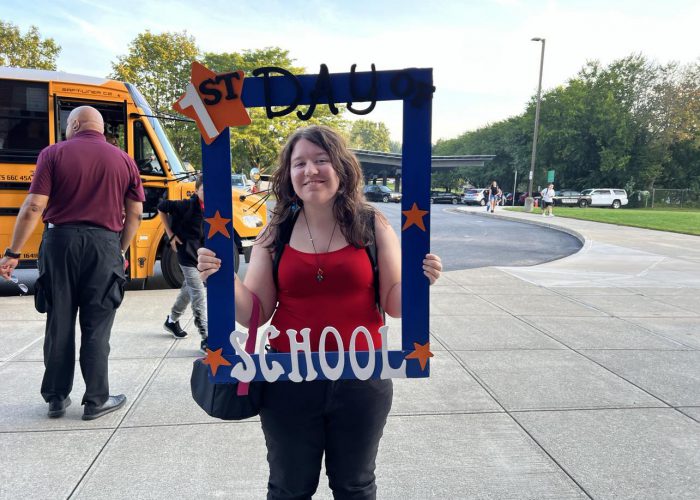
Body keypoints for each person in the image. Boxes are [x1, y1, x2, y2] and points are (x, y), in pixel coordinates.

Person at [198, 125, 442, 499]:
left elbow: (394, 304)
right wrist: (222, 279)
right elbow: (256, 313)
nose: (310, 170)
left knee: (355, 486)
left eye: (321, 160)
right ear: (288, 175)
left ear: (341, 168)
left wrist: (419, 280)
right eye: (299, 163)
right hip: (286, 379)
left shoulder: (371, 224)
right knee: (289, 488)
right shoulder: (275, 231)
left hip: (362, 379)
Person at [0, 106, 145, 420]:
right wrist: (118, 250)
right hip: (104, 245)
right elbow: (134, 213)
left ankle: (56, 397)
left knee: (58, 322)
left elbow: (34, 206)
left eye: (67, 124)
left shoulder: (53, 154)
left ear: (76, 124)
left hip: (59, 243)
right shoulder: (124, 160)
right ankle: (96, 400)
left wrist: (13, 252)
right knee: (97, 327)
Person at [157, 174, 208, 352]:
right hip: (186, 255)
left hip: (200, 257)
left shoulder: (213, 209)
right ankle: (206, 338)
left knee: (189, 289)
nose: (208, 193)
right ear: (196, 191)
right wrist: (170, 234)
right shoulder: (185, 205)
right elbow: (161, 207)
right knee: (198, 294)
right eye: (204, 190)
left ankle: (172, 320)